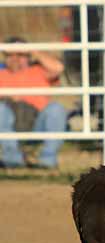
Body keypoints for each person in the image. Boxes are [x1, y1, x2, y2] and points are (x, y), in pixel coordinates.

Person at [0, 36, 67, 169]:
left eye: (20, 54)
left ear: (28, 55)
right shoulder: (2, 73)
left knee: (56, 109)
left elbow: (58, 68)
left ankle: (47, 161)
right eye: (10, 55)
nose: (15, 58)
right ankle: (13, 160)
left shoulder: (39, 71)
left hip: (37, 122)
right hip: (9, 122)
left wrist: (31, 50)